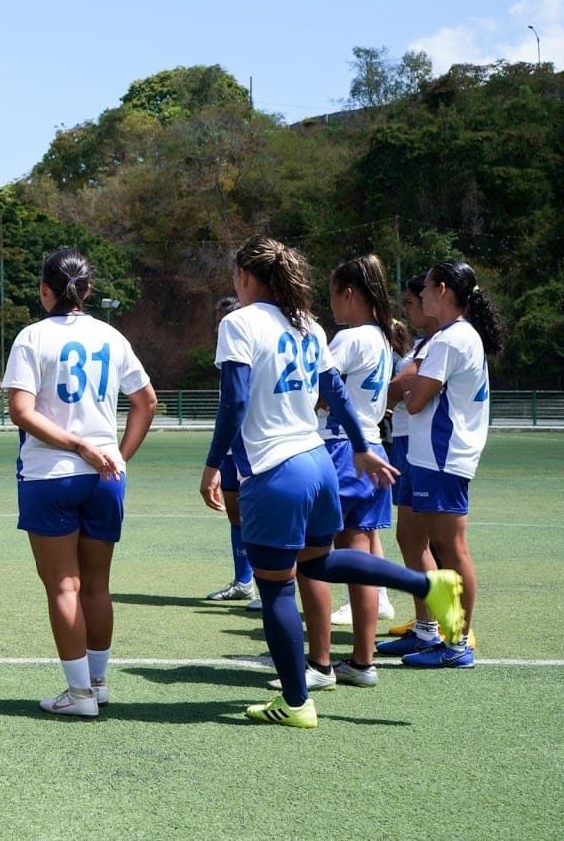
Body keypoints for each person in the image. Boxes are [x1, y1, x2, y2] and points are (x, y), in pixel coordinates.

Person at [199, 236, 464, 728]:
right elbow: (335, 393)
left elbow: (233, 402)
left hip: (276, 470)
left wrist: (214, 464)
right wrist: (363, 446)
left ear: (246, 277)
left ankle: (297, 703)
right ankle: (425, 582)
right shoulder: (309, 325)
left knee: (277, 587)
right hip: (320, 462)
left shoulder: (237, 322)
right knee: (318, 561)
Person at [3, 248, 157, 716]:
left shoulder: (32, 337)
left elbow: (21, 412)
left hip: (51, 475)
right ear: (87, 291)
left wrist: (76, 446)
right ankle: (98, 683)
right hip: (105, 478)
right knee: (96, 585)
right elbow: (146, 402)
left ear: (44, 290)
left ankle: (79, 696)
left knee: (63, 587)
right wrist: (117, 456)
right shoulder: (112, 336)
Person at [296, 254, 408, 689]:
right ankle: (363, 662)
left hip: (341, 450)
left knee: (313, 556)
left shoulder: (350, 338)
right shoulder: (383, 338)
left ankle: (320, 664)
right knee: (359, 559)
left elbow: (323, 389)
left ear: (348, 294)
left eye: (333, 296)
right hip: (373, 448)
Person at [392, 260, 505, 669]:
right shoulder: (452, 336)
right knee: (415, 540)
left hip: (444, 456)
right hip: (430, 456)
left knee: (451, 550)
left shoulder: (451, 339)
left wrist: (405, 388)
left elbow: (417, 399)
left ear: (441, 289)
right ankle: (431, 633)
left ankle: (457, 642)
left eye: (424, 288)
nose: (419, 295)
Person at [379, 276, 442, 644]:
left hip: (421, 448)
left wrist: (379, 399)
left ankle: (452, 624)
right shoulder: (424, 342)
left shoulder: (439, 342)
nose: (408, 309)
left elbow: (406, 384)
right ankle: (427, 624)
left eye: (412, 302)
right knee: (410, 537)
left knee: (433, 541)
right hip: (406, 444)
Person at [203, 296, 258, 610]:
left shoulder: (248, 346)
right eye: (218, 319)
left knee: (259, 514)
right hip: (231, 444)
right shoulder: (225, 354)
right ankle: (244, 581)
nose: (220, 325)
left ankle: (270, 584)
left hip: (252, 443)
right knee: (235, 513)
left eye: (225, 318)